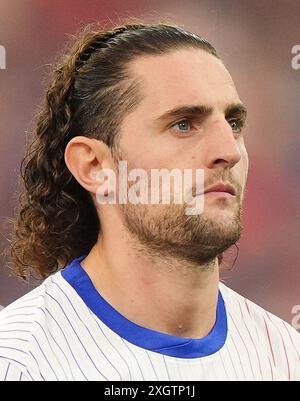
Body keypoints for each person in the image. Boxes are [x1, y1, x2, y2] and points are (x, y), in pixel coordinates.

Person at [0, 22, 299, 381]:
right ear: (95, 166)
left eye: (233, 123)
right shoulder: (19, 364)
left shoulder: (285, 357)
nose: (229, 151)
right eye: (184, 124)